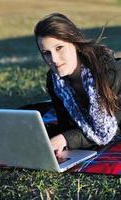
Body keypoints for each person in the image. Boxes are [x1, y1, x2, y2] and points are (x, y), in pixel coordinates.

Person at [34, 13, 121, 158]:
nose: (54, 59)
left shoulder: (108, 73)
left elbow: (111, 131)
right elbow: (67, 125)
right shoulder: (54, 81)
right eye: (46, 53)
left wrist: (67, 139)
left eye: (59, 48)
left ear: (75, 43)